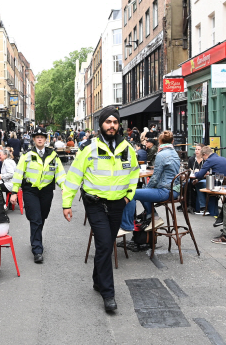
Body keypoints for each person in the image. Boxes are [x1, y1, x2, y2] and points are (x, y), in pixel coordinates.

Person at [62, 106, 139, 312]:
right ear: (101, 124)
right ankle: (108, 294)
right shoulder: (89, 147)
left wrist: (128, 197)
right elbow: (74, 176)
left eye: (115, 122)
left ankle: (97, 280)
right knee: (105, 244)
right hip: (94, 203)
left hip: (117, 203)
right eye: (108, 122)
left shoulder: (127, 148)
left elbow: (134, 174)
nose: (112, 126)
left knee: (106, 243)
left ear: (118, 125)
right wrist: (66, 203)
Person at [11, 126, 66, 264]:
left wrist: (64, 187)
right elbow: (18, 173)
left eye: (42, 137)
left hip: (47, 191)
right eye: (37, 137)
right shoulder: (27, 155)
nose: (40, 139)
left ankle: (36, 239)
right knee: (35, 218)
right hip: (31, 190)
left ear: (45, 140)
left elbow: (60, 173)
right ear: (34, 139)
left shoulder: (53, 155)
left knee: (42, 217)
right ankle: (37, 249)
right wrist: (14, 191)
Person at [120, 131, 180, 235]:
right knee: (144, 189)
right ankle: (153, 216)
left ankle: (127, 226)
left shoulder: (161, 155)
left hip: (165, 191)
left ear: (159, 142)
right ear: (172, 141)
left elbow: (155, 178)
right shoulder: (175, 153)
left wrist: (148, 187)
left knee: (131, 193)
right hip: (175, 190)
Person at [193, 146, 226, 217]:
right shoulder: (223, 158)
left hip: (217, 184)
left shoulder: (209, 160)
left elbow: (199, 175)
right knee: (203, 182)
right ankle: (210, 209)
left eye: (203, 157)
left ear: (205, 154)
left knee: (198, 184)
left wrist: (196, 172)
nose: (204, 159)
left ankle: (203, 207)